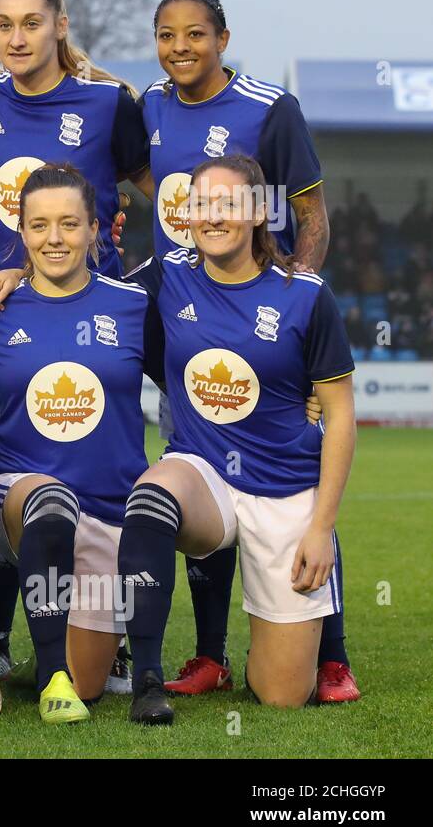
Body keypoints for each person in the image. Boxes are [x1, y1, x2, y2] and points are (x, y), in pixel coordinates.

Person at [142, 0, 355, 702]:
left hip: (272, 339)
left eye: (195, 34)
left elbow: (311, 213)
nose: (180, 48)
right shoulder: (148, 105)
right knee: (192, 477)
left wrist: (297, 301)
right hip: (193, 326)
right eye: (167, 35)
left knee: (292, 464)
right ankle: (206, 654)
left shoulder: (271, 107)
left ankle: (332, 651)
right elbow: (137, 187)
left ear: (223, 38)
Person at [113, 155, 354, 722]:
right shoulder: (166, 274)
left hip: (285, 488)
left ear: (258, 213)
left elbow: (340, 417)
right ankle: (147, 679)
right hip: (204, 476)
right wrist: (11, 277)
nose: (213, 216)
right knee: (150, 497)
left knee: (282, 694)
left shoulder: (306, 294)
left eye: (228, 204)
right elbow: (85, 292)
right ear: (187, 215)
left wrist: (321, 528)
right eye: (201, 204)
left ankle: (278, 651)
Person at [0, 0, 153, 683]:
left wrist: (153, 265)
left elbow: (156, 189)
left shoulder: (109, 101)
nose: (17, 37)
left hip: (89, 311)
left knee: (98, 465)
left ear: (59, 25)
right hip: (1, 311)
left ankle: (118, 632)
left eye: (31, 23)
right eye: (4, 24)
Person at [0, 163, 162, 722]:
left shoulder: (134, 306)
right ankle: (49, 679)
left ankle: (78, 667)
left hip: (112, 513)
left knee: (91, 682)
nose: (54, 238)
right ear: (22, 234)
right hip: (25, 500)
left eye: (69, 224)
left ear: (96, 230)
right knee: (49, 499)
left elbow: (187, 384)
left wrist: (302, 400)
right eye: (39, 226)